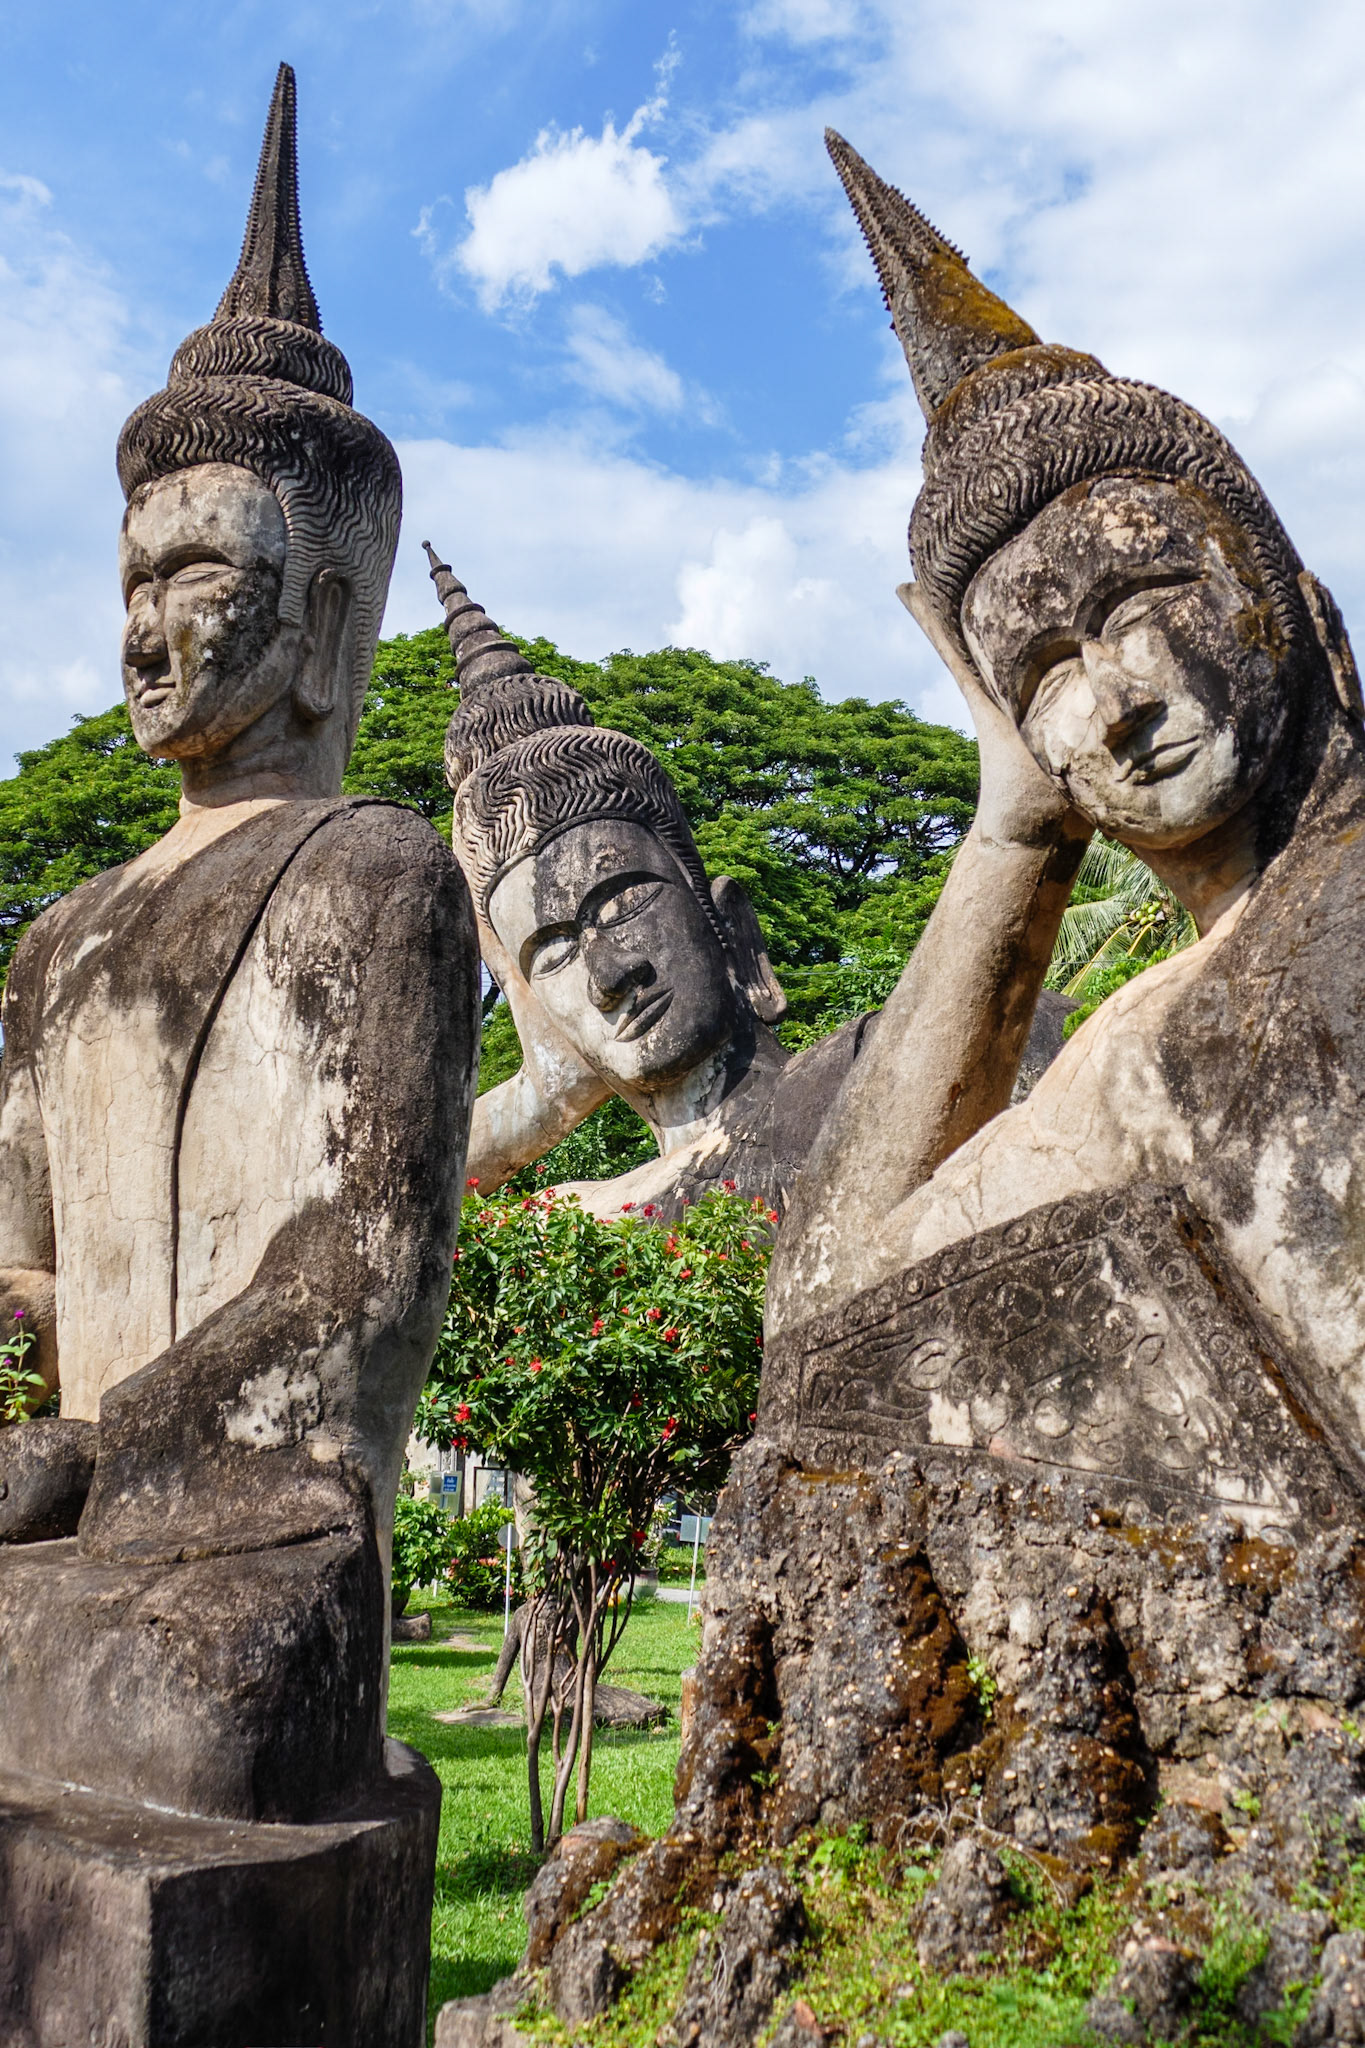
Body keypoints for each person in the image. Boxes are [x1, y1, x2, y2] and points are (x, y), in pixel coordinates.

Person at [0, 67, 478, 1823]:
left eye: (196, 574)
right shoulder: (60, 940)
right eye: (132, 579)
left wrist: (95, 1456)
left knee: (197, 1716)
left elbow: (361, 1275)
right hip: (57, 1520)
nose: (144, 629)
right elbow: (27, 1264)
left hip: (250, 1525)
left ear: (328, 610)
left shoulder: (378, 875)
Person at [769, 134, 1365, 1479]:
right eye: (1040, 673)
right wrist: (1015, 827)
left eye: (1136, 607)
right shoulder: (1131, 1042)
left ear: (1288, 602)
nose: (1112, 700)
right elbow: (821, 1327)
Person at [425, 545, 1071, 1223]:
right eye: (552, 951)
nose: (608, 975)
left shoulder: (925, 1060)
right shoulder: (571, 1225)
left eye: (622, 903)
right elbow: (368, 1225)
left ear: (732, 930)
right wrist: (546, 1086)